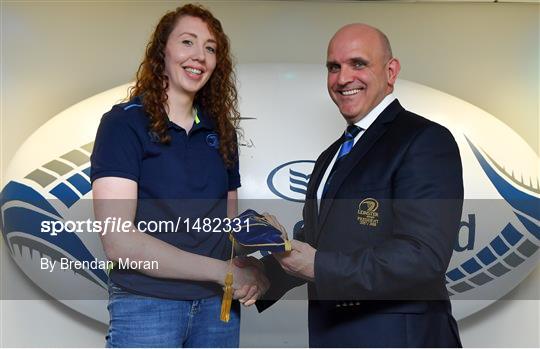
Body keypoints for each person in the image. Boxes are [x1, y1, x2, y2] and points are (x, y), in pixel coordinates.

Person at [241, 23, 464, 347]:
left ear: (391, 71)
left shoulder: (425, 140)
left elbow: (422, 256)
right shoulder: (330, 157)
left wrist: (318, 266)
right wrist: (265, 274)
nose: (343, 78)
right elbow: (321, 242)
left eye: (358, 63)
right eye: (334, 67)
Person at [91, 4, 268, 348]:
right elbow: (119, 243)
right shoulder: (123, 125)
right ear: (163, 50)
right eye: (187, 42)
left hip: (218, 308)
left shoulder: (222, 132)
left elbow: (228, 231)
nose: (199, 56)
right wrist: (223, 272)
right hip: (146, 305)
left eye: (210, 48)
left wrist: (263, 248)